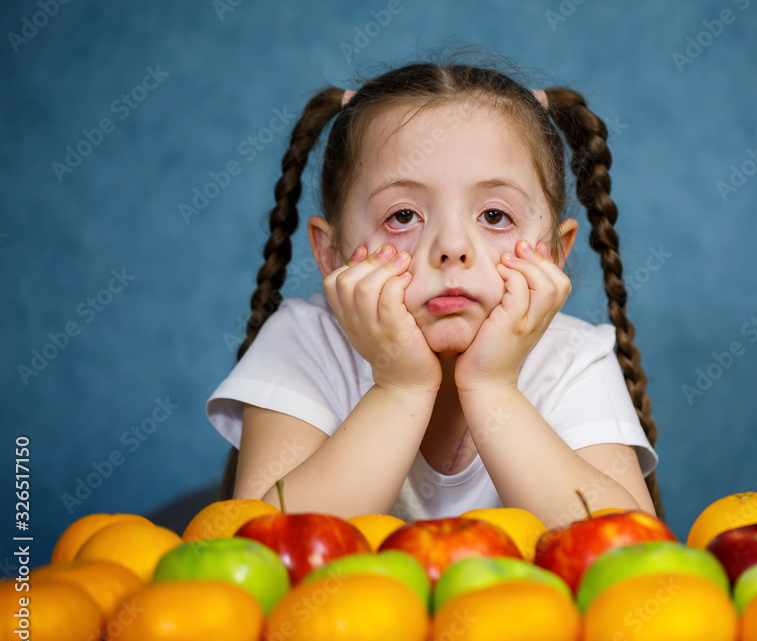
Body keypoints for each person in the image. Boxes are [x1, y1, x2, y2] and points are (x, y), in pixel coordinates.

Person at [205, 55, 665, 528]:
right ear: (332, 253)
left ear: (552, 253)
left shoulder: (572, 357)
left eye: (493, 216)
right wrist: (400, 387)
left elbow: (632, 551)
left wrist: (493, 386)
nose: (451, 248)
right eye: (402, 216)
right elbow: (261, 545)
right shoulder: (305, 341)